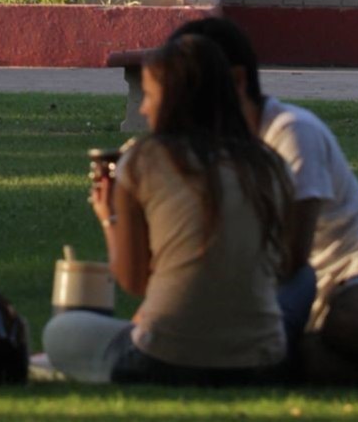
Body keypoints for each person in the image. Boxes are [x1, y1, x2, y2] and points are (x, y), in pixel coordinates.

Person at [170, 17, 358, 384]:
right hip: (326, 296)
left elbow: (293, 256)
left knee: (349, 322)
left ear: (236, 81)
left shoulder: (291, 131)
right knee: (308, 359)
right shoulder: (218, 157)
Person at [43, 35, 299, 385]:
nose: (144, 109)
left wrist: (109, 218)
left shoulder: (145, 160)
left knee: (61, 329)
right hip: (263, 360)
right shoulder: (270, 165)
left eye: (150, 96)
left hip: (165, 358)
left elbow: (134, 280)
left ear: (174, 100)